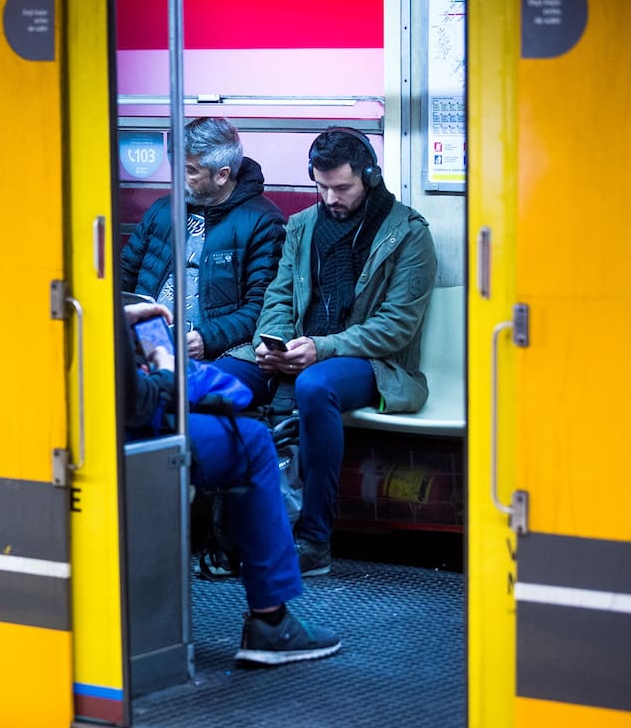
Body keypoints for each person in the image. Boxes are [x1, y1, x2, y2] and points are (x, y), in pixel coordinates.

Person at [223, 127, 437, 576]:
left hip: (371, 362)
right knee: (222, 378)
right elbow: (277, 298)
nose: (331, 198)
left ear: (370, 178)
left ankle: (315, 539)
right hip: (299, 349)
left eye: (342, 187)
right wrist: (271, 342)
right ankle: (226, 524)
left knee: (316, 386)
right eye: (321, 187)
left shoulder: (409, 234)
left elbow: (395, 327)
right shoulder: (301, 225)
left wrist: (320, 349)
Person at [124, 301, 340, 665]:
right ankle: (270, 621)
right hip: (119, 429)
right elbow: (137, 404)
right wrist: (166, 369)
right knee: (252, 442)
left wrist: (121, 317)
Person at [121, 117, 285, 361]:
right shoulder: (163, 210)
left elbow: (261, 308)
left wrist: (207, 338)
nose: (178, 178)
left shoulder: (262, 221)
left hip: (210, 351)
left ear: (222, 175)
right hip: (147, 338)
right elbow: (123, 275)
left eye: (190, 171)